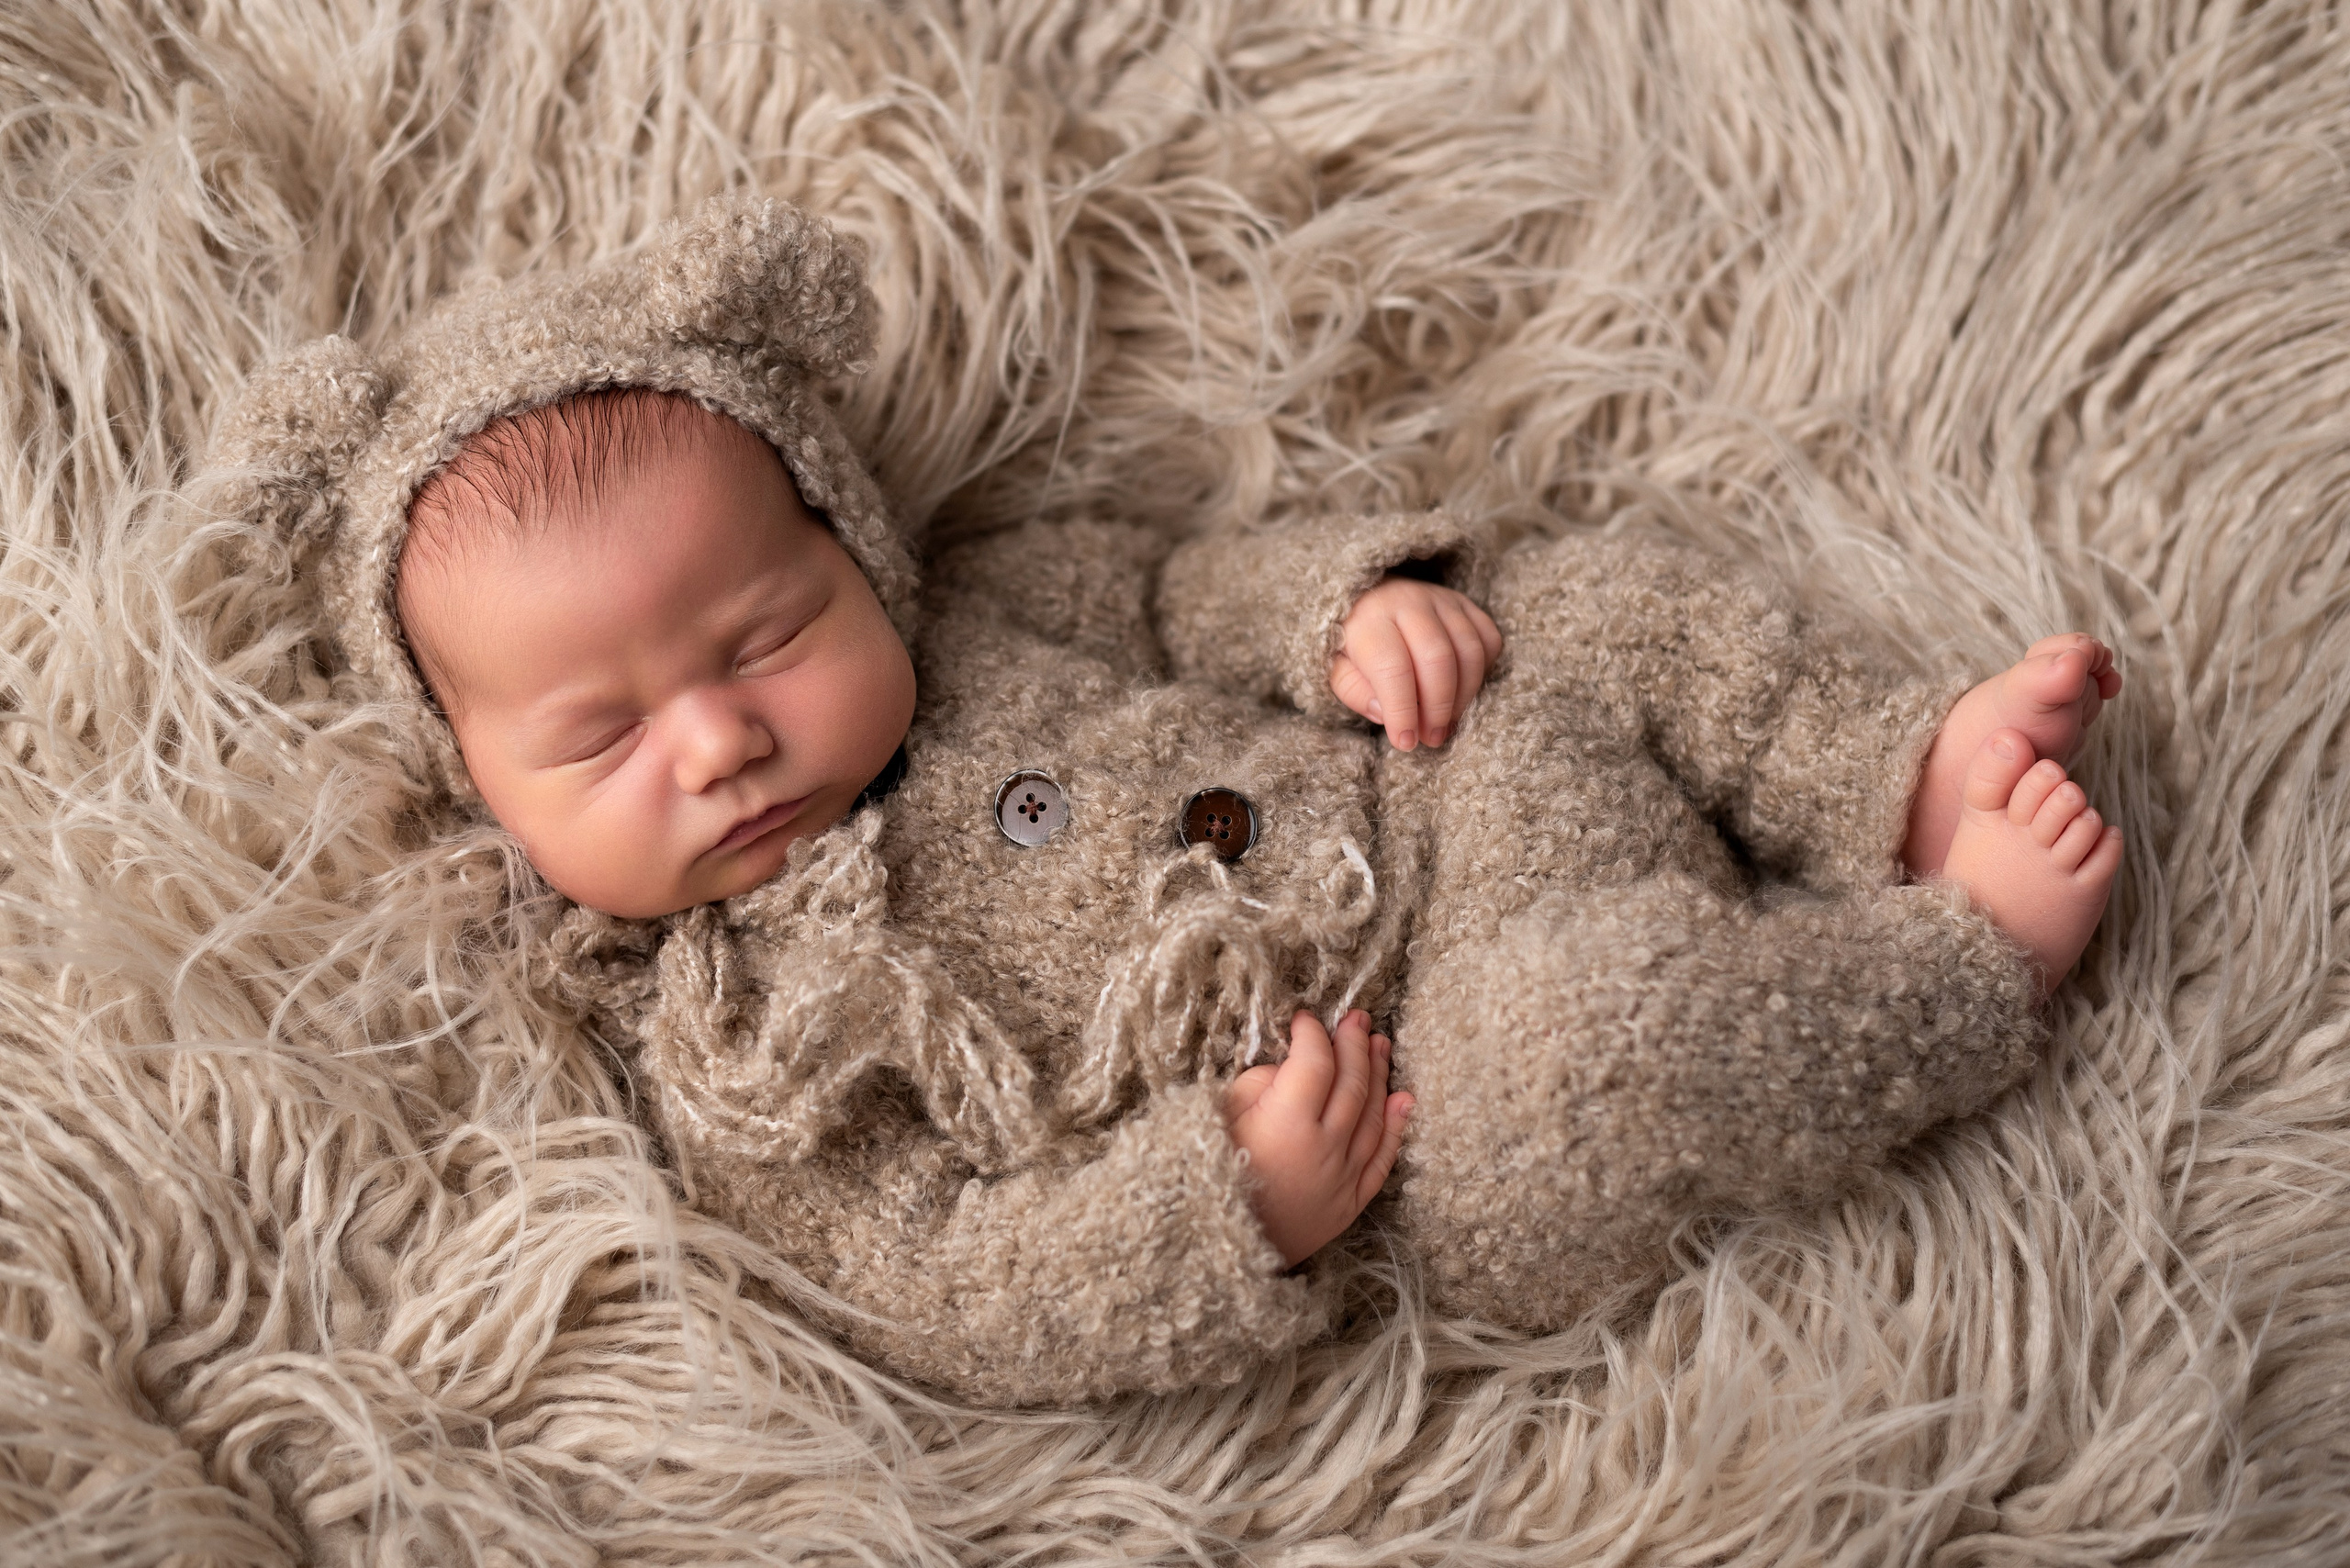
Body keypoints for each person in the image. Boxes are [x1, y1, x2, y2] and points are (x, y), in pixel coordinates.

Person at [207, 196, 2120, 1406]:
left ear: (854, 549)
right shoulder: (748, 1040)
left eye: (766, 630)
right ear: (481, 783)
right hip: (1423, 1105)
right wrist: (1228, 1200)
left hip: (1458, 811)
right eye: (599, 740)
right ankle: (1960, 965)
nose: (714, 740)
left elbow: (1181, 590)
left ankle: (1885, 765)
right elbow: (945, 1281)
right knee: (1593, 1042)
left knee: (1553, 609)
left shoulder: (998, 605)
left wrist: (1341, 617)